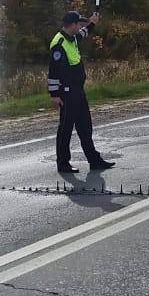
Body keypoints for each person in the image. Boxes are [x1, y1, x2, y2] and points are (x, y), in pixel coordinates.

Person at [48, 10, 116, 174]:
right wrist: (54, 95)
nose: (80, 26)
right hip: (67, 92)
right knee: (66, 128)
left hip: (77, 90)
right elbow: (53, 72)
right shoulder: (59, 43)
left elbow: (84, 34)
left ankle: (94, 160)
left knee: (85, 126)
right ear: (72, 25)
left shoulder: (72, 39)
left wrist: (92, 23)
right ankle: (63, 163)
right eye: (79, 23)